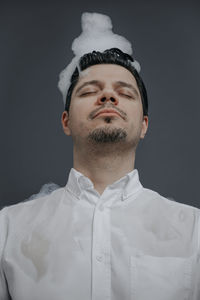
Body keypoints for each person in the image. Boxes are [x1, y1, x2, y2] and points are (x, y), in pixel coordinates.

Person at [0, 12, 199, 300]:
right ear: (65, 121)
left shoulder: (194, 231)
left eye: (125, 93)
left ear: (144, 125)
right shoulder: (8, 230)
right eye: (90, 91)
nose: (108, 96)